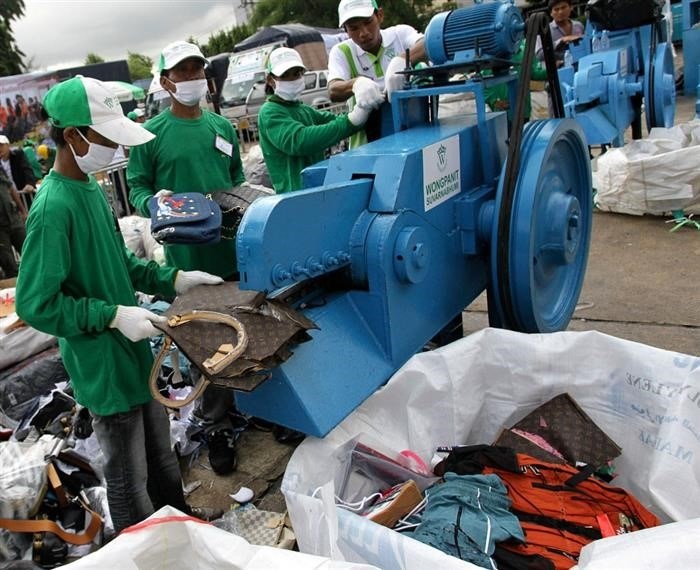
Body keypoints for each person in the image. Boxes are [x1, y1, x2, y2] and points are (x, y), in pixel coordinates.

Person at [15, 75, 224, 533]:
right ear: (73, 136)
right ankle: (146, 554)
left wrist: (175, 279)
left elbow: (122, 265)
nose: (116, 148)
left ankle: (183, 529)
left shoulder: (90, 188)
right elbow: (35, 304)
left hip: (133, 358)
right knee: (129, 481)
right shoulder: (53, 208)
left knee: (163, 461)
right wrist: (109, 315)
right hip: (104, 370)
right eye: (107, 138)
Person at [127, 41, 245, 475]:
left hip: (232, 251)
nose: (193, 78)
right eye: (183, 72)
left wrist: (240, 201)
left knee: (248, 337)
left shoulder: (223, 127)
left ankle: (255, 411)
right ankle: (215, 427)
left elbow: (237, 179)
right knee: (207, 350)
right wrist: (154, 201)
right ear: (165, 82)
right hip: (188, 264)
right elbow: (137, 187)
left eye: (198, 69)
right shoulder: (150, 136)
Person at [258, 47, 370, 194]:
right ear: (271, 80)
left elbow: (332, 120)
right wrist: (351, 120)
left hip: (315, 189)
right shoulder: (270, 112)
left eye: (297, 73)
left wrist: (365, 108)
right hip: (294, 196)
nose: (293, 79)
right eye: (285, 75)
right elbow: (300, 140)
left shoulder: (302, 109)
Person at [327, 0, 426, 147]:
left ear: (379, 15)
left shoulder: (399, 34)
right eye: (354, 28)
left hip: (412, 131)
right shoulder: (342, 51)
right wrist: (356, 83)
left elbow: (428, 43)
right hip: (366, 143)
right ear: (346, 30)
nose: (364, 33)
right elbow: (333, 89)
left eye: (368, 22)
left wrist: (402, 60)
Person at [535, 0, 585, 65]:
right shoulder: (545, 31)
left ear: (571, 7)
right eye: (556, 9)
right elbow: (540, 54)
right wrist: (560, 41)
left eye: (563, 7)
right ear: (551, 13)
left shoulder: (579, 25)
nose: (561, 12)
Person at [0, 166, 26, 278]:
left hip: (14, 218)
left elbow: (11, 188)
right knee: (9, 264)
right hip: (0, 229)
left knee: (30, 252)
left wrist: (23, 210)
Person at [0, 134, 37, 201]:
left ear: (8, 145)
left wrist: (30, 183)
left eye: (1, 145)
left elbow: (27, 168)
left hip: (24, 192)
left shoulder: (18, 155)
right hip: (10, 198)